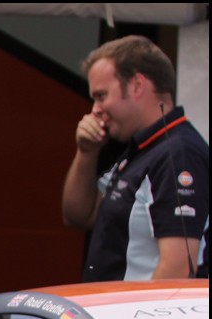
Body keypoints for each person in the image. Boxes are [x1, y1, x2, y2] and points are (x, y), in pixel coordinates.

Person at [61, 35, 207, 281]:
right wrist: (87, 153)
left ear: (137, 85)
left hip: (133, 317)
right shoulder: (142, 148)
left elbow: (178, 269)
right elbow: (79, 215)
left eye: (101, 95)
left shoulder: (178, 153)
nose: (95, 108)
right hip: (110, 314)